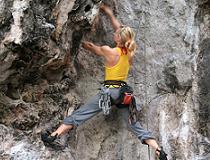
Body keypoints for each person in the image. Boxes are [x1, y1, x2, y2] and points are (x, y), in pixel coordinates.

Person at [41, 4, 167, 160]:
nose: (114, 33)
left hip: (109, 92)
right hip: (124, 94)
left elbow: (91, 47)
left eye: (116, 33)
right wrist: (108, 12)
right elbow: (121, 29)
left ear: (119, 38)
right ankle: (158, 149)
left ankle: (53, 135)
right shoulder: (130, 51)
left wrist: (76, 38)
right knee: (134, 126)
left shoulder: (109, 51)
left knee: (81, 114)